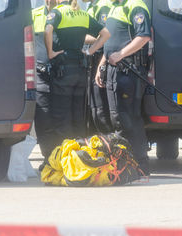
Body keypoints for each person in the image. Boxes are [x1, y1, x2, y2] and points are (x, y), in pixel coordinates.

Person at [95, 0, 151, 175]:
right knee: (118, 118)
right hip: (114, 71)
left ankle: (139, 165)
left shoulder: (135, 5)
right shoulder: (114, 8)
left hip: (129, 72)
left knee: (129, 118)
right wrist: (101, 66)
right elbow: (110, 43)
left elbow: (143, 37)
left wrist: (120, 55)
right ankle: (126, 163)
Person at [44, 0, 111, 147]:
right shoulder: (83, 14)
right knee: (78, 116)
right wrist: (89, 51)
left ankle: (66, 158)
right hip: (80, 72)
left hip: (63, 72)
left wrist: (50, 52)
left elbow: (47, 30)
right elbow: (105, 34)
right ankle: (80, 156)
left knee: (62, 116)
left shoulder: (57, 12)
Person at [32, 0, 57, 165]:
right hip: (41, 74)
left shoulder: (65, 13)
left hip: (63, 74)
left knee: (62, 120)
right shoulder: (34, 15)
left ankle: (60, 156)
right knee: (43, 119)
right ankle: (49, 157)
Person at [84, 0, 113, 134]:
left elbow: (105, 37)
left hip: (100, 61)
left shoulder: (104, 6)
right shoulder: (92, 6)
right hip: (93, 60)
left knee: (100, 109)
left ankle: (110, 144)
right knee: (95, 109)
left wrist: (77, 36)